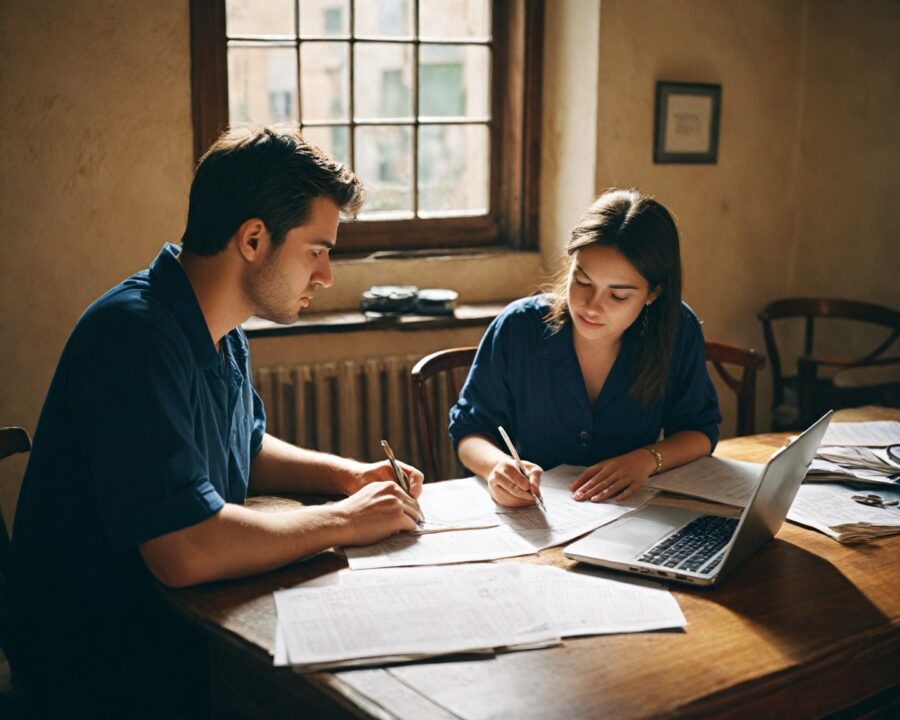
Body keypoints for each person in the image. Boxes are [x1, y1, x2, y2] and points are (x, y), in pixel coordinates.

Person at [4, 126, 424, 718]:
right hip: (107, 672)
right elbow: (185, 550)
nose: (326, 275)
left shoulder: (218, 326)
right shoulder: (134, 336)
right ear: (253, 238)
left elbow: (243, 446)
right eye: (317, 250)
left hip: (176, 634)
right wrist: (343, 521)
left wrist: (347, 476)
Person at [449, 188, 721, 508]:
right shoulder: (518, 328)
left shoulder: (676, 329)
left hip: (630, 515)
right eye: (582, 281)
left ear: (653, 294)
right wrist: (496, 466)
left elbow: (699, 430)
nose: (592, 307)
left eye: (618, 296)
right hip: (535, 513)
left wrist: (647, 460)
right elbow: (470, 431)